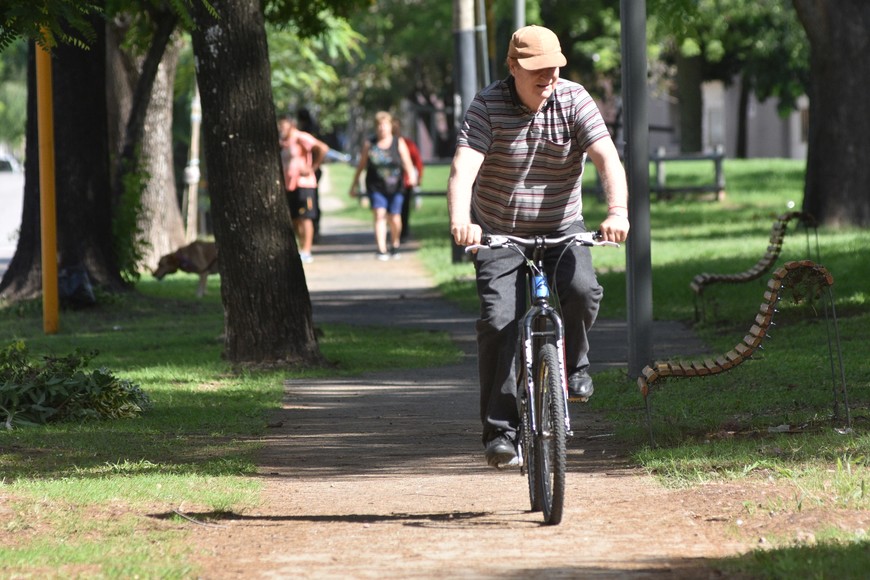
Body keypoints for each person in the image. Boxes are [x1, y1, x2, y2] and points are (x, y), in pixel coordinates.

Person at [447, 25, 630, 468]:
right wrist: (461, 221)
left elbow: (607, 157)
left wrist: (617, 211)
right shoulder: (487, 106)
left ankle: (573, 368)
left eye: (553, 68)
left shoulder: (574, 99)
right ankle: (500, 432)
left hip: (563, 227)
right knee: (499, 321)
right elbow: (463, 168)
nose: (548, 77)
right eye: (537, 70)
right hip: (500, 233)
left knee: (583, 290)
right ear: (513, 67)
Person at [349, 111, 418, 260]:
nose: (382, 128)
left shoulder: (398, 142)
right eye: (379, 125)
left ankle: (395, 243)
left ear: (390, 126)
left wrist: (412, 176)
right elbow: (361, 166)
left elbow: (407, 162)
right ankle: (381, 249)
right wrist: (354, 185)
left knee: (394, 217)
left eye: (385, 124)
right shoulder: (370, 144)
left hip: (396, 186)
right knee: (379, 215)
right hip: (376, 186)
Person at [279, 115, 330, 264]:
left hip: (304, 184)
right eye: (279, 126)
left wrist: (312, 167)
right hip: (290, 185)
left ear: (291, 125)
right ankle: (300, 247)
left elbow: (322, 148)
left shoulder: (301, 137)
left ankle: (307, 250)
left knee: (305, 218)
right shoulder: (283, 142)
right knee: (294, 218)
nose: (281, 129)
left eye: (283, 126)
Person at [399, 132, 424, 242]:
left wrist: (418, 177)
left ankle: (403, 232)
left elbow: (417, 161)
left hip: (404, 182)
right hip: (387, 183)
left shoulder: (408, 144)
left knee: (404, 209)